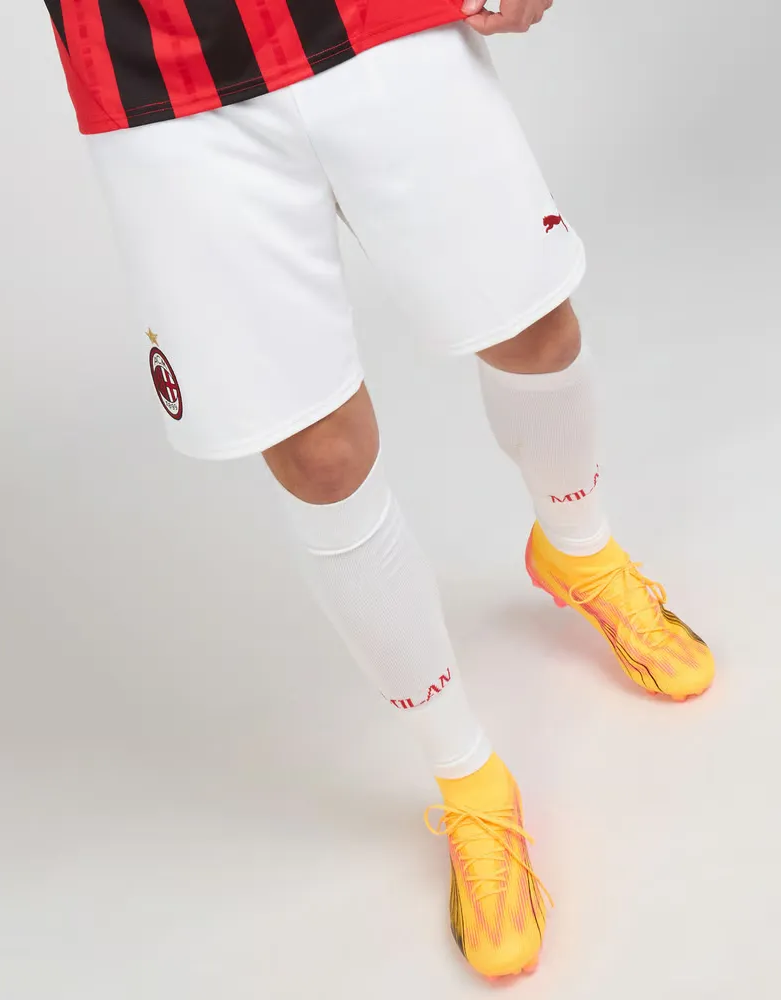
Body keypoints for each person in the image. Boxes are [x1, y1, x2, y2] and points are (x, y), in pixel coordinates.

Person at [42, 0, 714, 980]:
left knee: (530, 323)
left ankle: (580, 551)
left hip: (376, 16)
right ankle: (469, 780)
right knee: (316, 454)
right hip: (159, 72)